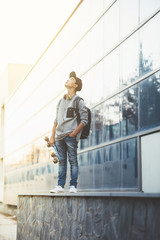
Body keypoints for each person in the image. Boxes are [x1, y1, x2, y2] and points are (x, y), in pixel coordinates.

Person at [49, 71, 88, 193]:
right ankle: (60, 186)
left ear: (75, 85)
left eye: (71, 79)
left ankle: (73, 186)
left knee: (73, 161)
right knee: (62, 162)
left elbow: (84, 120)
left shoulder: (78, 101)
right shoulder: (60, 101)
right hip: (59, 136)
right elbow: (56, 120)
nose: (67, 79)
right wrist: (52, 136)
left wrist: (73, 133)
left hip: (70, 136)